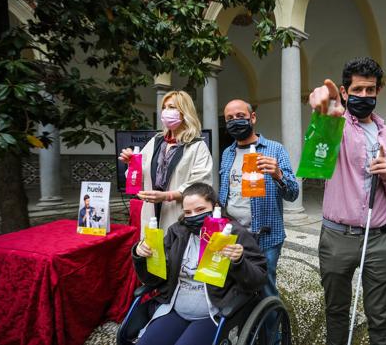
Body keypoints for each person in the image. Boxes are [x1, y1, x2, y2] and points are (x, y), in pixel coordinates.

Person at [308, 57, 386, 345]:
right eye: (357, 90)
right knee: (337, 311)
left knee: (381, 316)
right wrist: (324, 112)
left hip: (379, 239)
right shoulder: (335, 124)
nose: (364, 96)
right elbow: (318, 148)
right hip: (337, 237)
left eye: (370, 90)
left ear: (378, 91)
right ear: (344, 91)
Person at [132, 182, 267, 345]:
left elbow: (258, 280)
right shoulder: (178, 232)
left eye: (200, 210)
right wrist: (141, 256)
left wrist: (239, 261)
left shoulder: (235, 233)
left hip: (212, 313)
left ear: (215, 206)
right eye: (187, 212)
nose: (193, 216)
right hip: (174, 308)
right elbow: (155, 279)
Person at [218, 99, 299, 299]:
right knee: (235, 283)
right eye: (229, 118)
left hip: (265, 236)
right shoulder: (227, 153)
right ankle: (247, 325)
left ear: (252, 117)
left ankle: (270, 329)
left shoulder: (275, 149)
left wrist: (278, 174)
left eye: (240, 116)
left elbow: (293, 193)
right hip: (233, 234)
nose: (235, 121)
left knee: (265, 288)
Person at [119, 90, 213, 236]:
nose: (166, 111)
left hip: (178, 213)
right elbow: (137, 178)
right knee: (151, 254)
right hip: (151, 214)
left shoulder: (197, 146)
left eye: (172, 107)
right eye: (164, 107)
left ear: (184, 111)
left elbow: (201, 184)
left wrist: (168, 195)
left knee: (176, 254)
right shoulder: (156, 142)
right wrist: (132, 163)